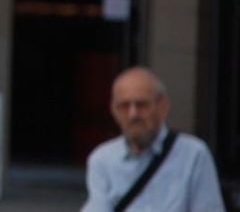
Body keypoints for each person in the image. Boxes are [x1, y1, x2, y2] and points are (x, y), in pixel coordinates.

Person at [82, 66, 225, 212]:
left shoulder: (194, 155)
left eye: (141, 105)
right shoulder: (102, 159)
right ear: (113, 110)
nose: (133, 114)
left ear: (163, 107)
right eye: (124, 106)